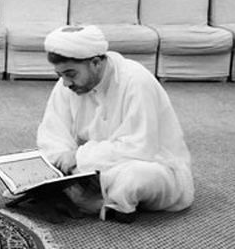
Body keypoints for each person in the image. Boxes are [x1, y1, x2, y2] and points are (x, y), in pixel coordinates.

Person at [35, 25, 194, 223]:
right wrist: (62, 162)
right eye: (61, 75)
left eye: (71, 74)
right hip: (88, 168)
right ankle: (91, 194)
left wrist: (79, 158)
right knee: (32, 166)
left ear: (95, 63)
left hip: (150, 163)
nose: (66, 83)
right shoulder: (67, 85)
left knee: (134, 178)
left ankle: (95, 197)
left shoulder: (136, 81)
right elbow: (53, 133)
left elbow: (139, 147)